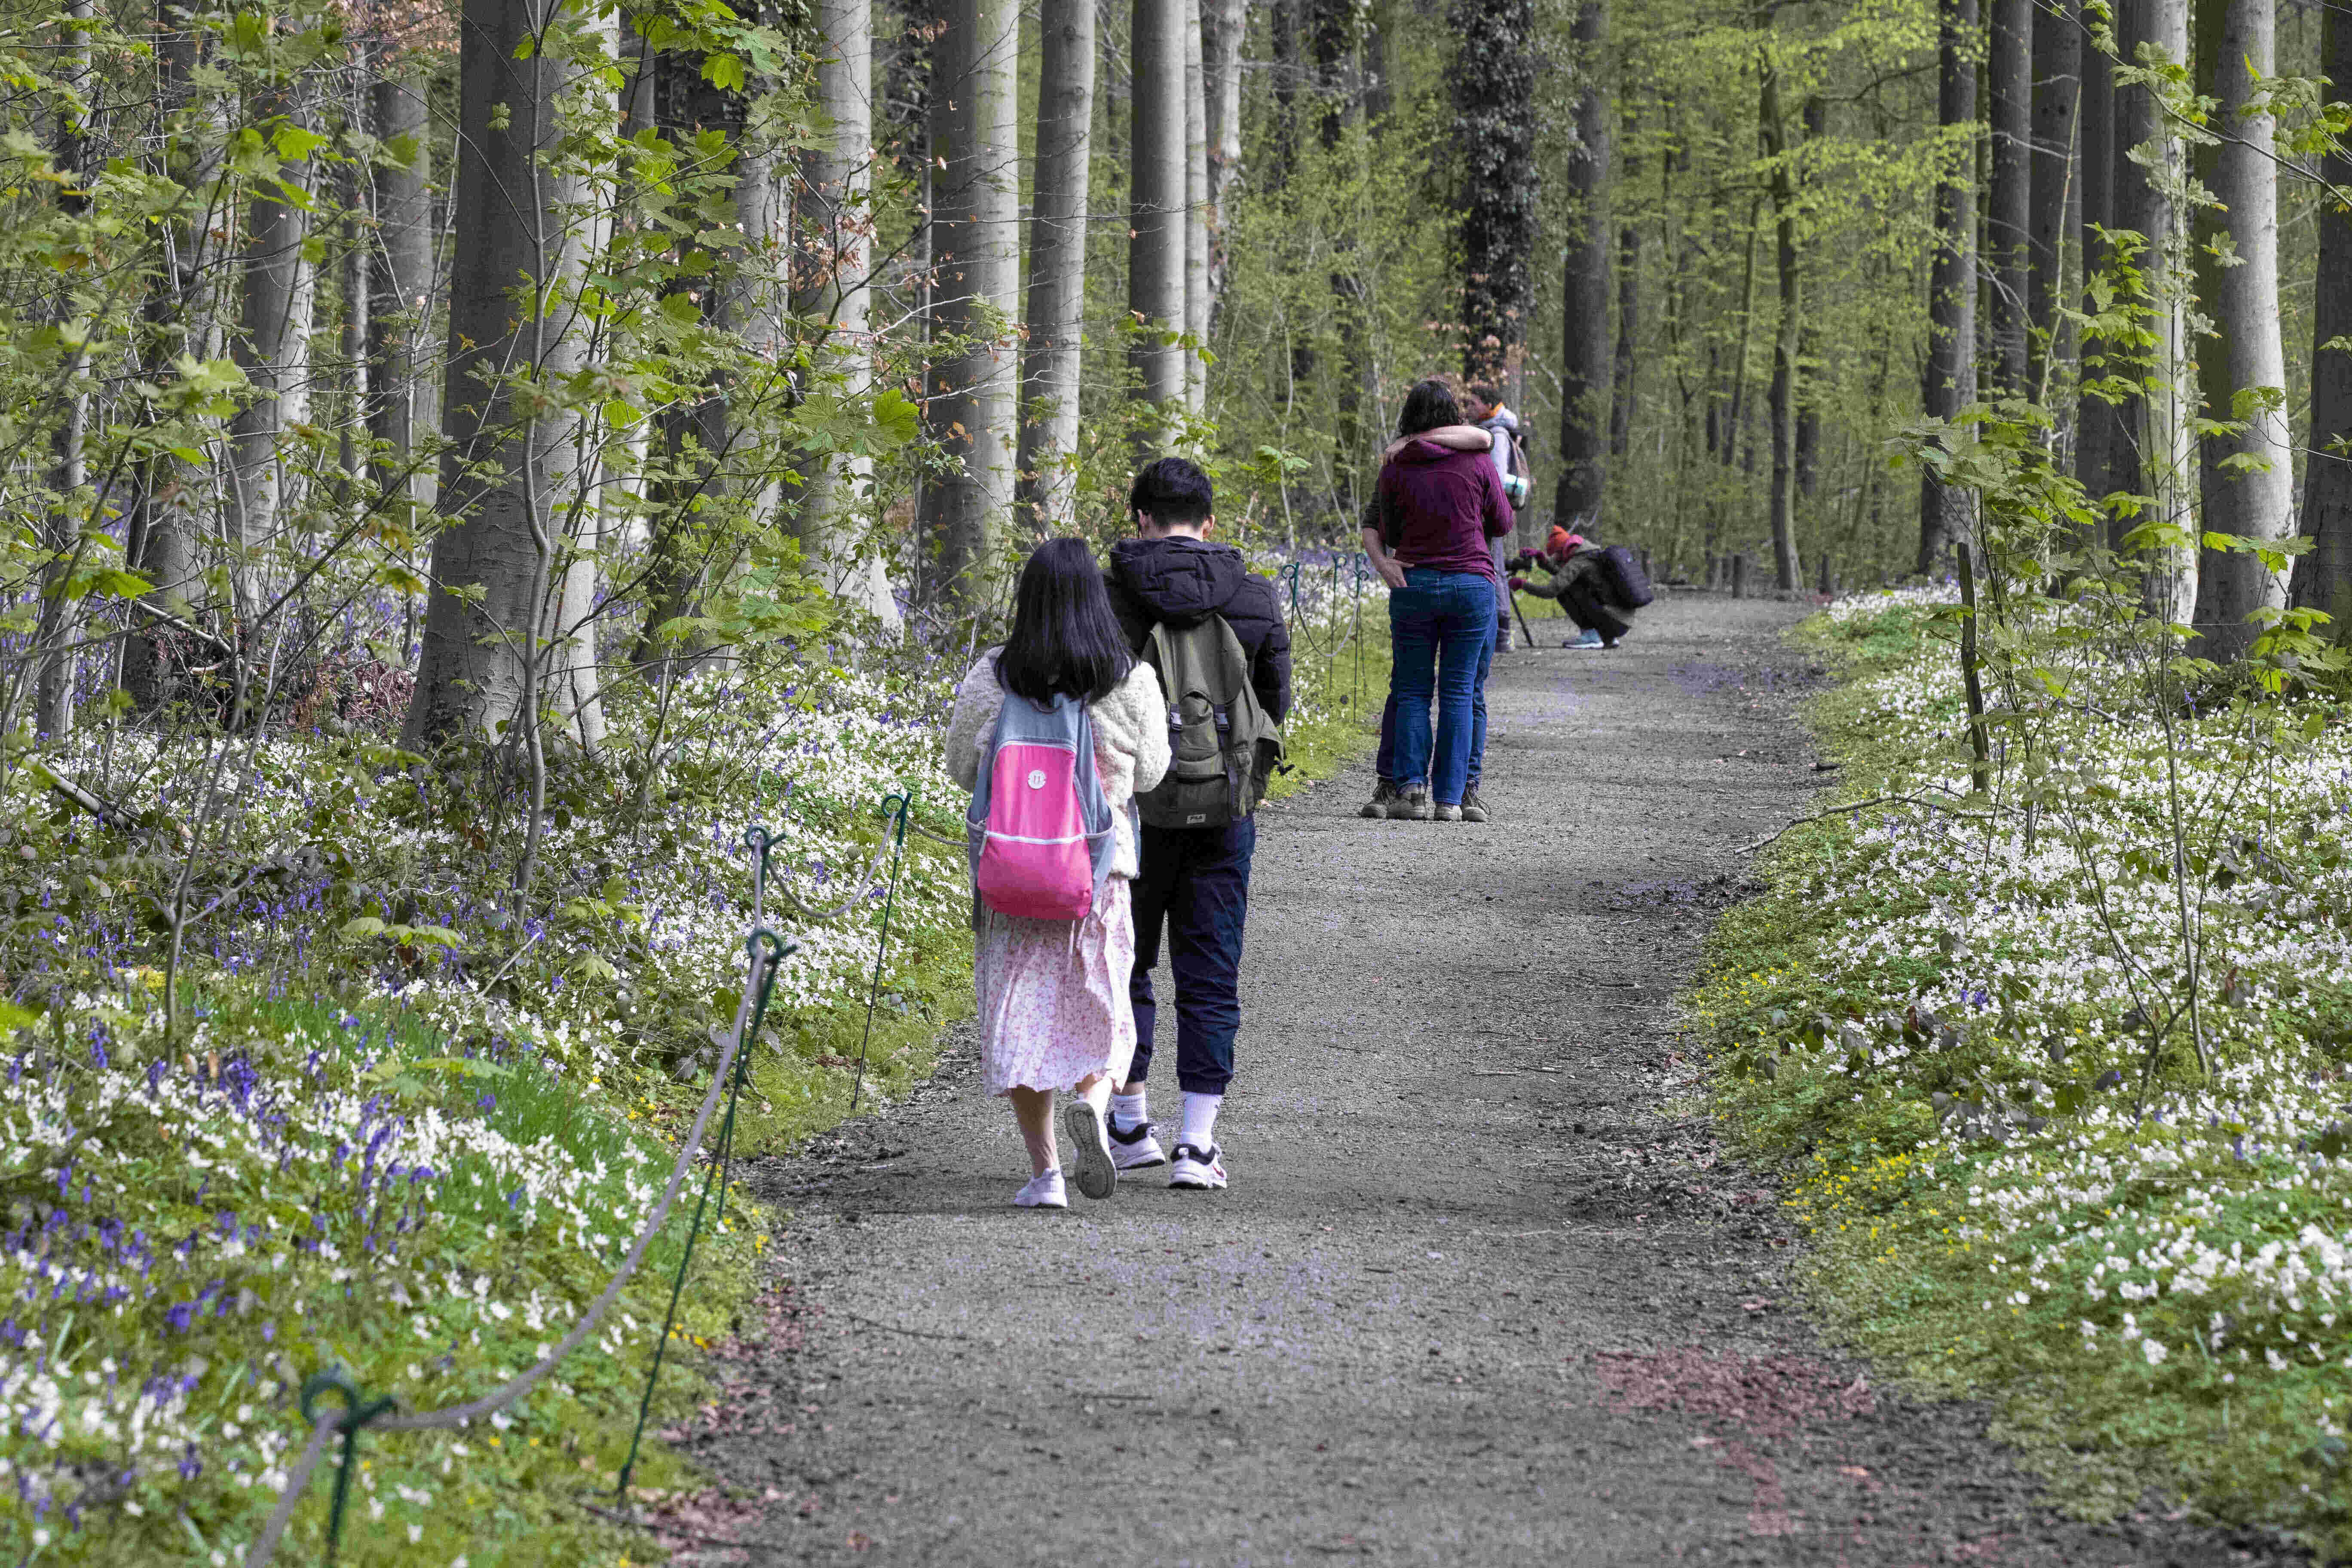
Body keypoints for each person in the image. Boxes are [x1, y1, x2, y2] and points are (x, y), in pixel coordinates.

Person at [944, 539, 1172, 1209]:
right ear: (1097, 603)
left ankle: (1045, 1175)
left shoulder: (995, 674)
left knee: (1019, 1015)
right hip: (1097, 877)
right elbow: (1154, 773)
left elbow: (961, 765)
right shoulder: (1130, 679)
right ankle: (1096, 1110)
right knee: (1103, 1005)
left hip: (1012, 876)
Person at [1100, 457, 1292, 1191]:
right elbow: (1274, 697)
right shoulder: (1253, 596)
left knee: (1126, 961)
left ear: (1139, 518)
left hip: (1131, 812)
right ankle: (1197, 1144)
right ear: (1209, 521)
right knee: (1211, 975)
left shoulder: (1108, 595)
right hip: (1223, 811)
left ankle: (1127, 1122)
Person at [1357, 379, 1514, 824]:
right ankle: (1451, 800)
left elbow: (1382, 525)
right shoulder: (1479, 463)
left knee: (1411, 689)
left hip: (1415, 585)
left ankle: (1411, 792)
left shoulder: (1394, 466)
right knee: (1461, 691)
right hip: (1471, 586)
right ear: (1453, 418)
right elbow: (1502, 523)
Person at [1463, 383, 1531, 654]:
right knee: (1494, 565)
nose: (1469, 407)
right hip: (1488, 509)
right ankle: (1499, 631)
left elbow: (1498, 478)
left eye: (1474, 402)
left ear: (1489, 405)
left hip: (1490, 510)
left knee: (1495, 566)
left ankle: (1502, 631)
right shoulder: (1491, 430)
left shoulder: (1498, 434)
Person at [1510, 526, 1637, 649]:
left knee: (1564, 591)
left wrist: (1522, 584)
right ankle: (1607, 637)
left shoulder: (1578, 562)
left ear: (1562, 551)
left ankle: (1592, 636)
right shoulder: (1589, 554)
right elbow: (1562, 573)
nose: (1555, 559)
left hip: (1613, 621)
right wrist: (1543, 560)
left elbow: (1551, 591)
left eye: (1556, 556)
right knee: (1579, 587)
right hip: (1622, 620)